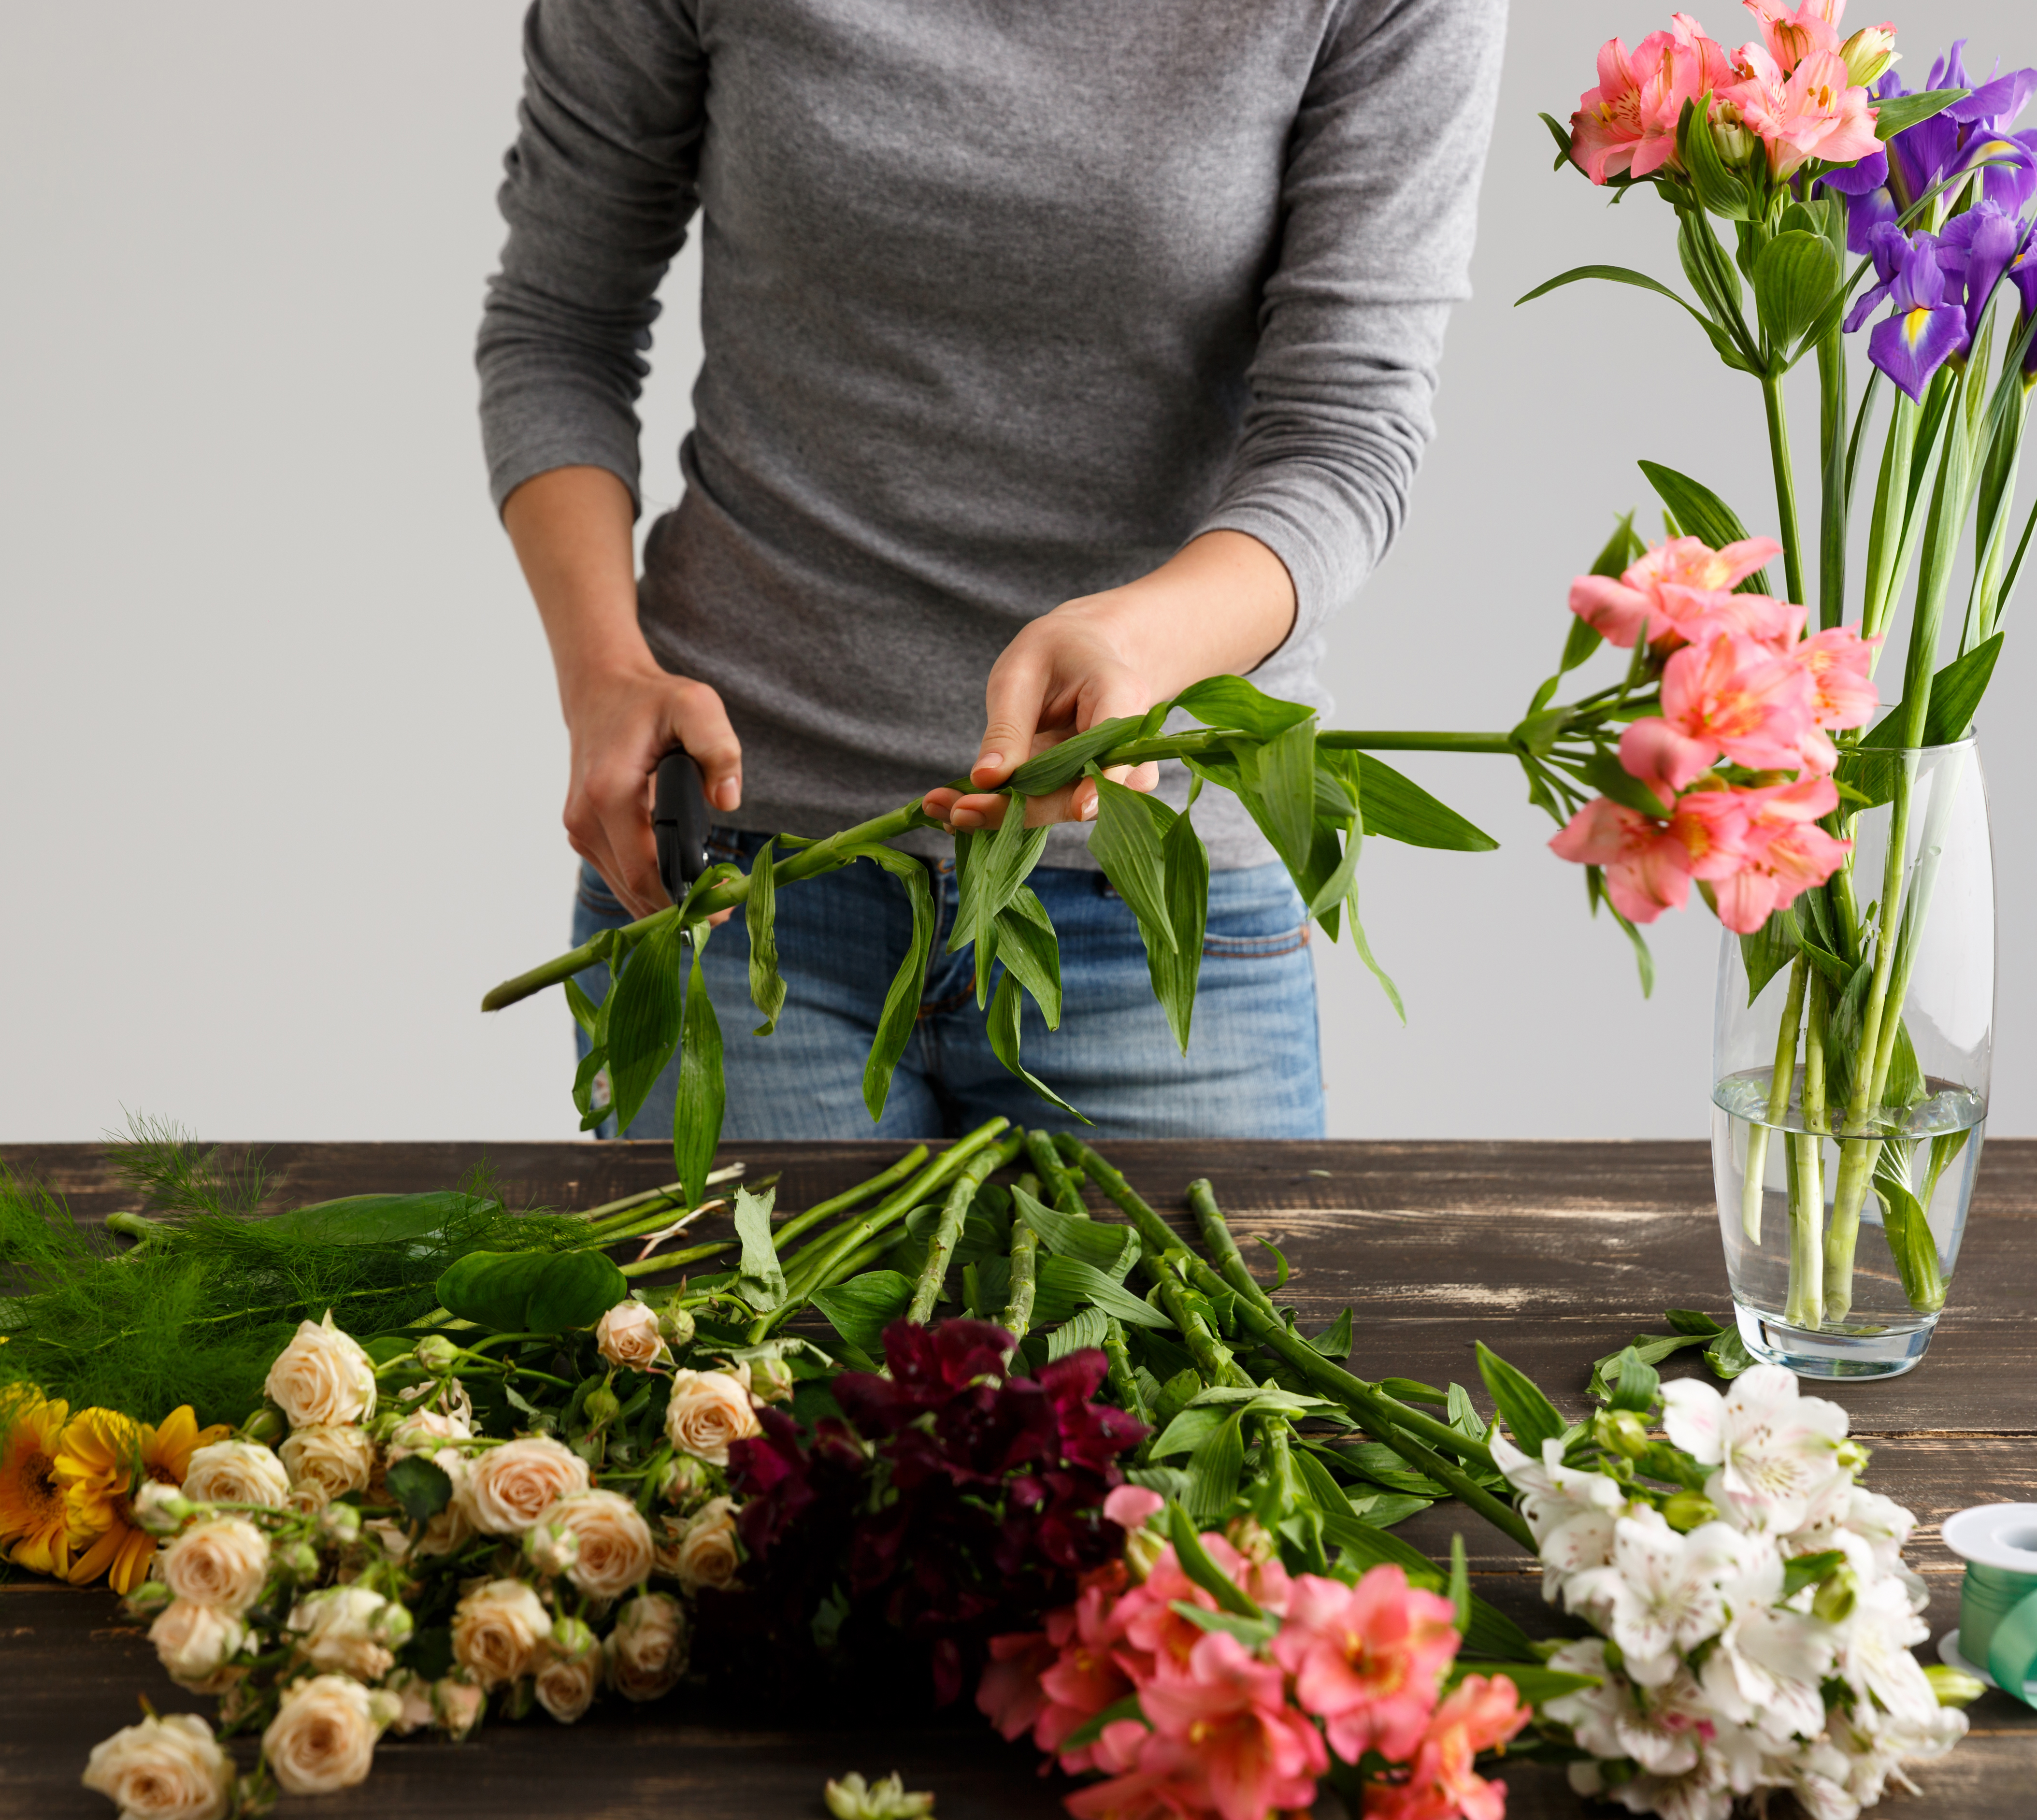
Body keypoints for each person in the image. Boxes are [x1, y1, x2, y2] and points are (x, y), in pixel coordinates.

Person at [479, 0, 1505, 1140]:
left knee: (1180, 1328)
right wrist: (602, 674)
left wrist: (1139, 651)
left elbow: (1344, 429)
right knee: (722, 1327)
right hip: (735, 877)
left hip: (1149, 887)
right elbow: (558, 325)